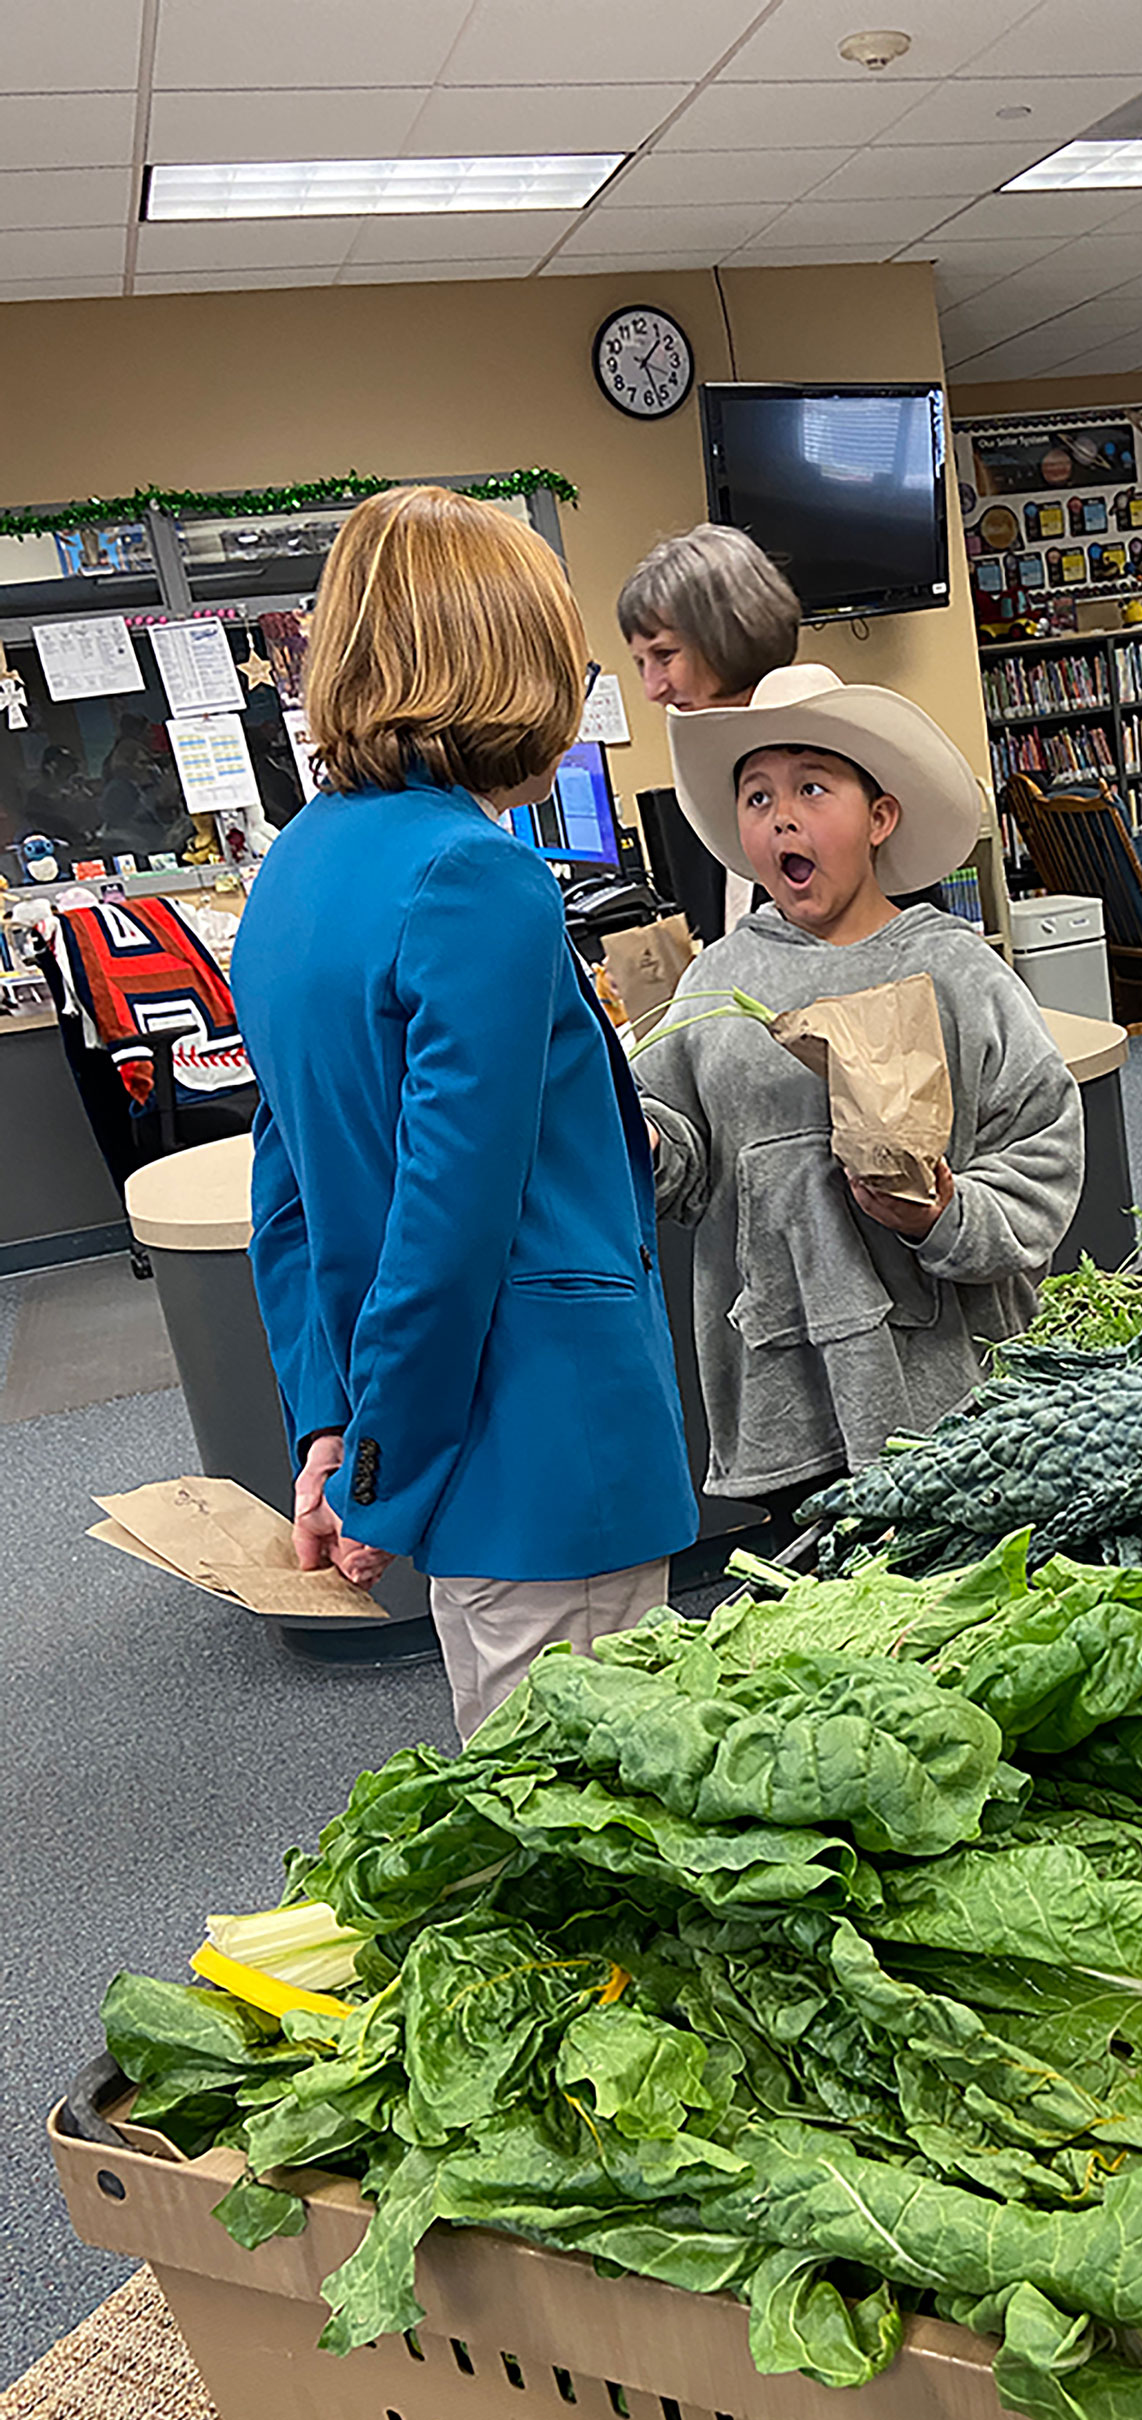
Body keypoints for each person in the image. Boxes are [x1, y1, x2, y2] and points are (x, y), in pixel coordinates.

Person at [231, 485, 699, 1741]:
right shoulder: (477, 873)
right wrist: (381, 1472)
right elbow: (448, 1224)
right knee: (603, 1828)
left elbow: (290, 1194)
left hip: (441, 1435)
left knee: (519, 1778)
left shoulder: (295, 867)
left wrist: (334, 1424)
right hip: (546, 1444)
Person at [635, 663, 1083, 1524]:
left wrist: (942, 1215)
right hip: (781, 1393)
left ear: (880, 817)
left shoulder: (956, 970)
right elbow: (683, 1153)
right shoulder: (716, 980)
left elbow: (1043, 1150)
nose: (783, 816)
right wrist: (647, 1141)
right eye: (758, 798)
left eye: (812, 786)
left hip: (951, 1389)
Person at [619, 522, 803, 939]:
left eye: (664, 655)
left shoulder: (837, 765)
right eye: (640, 664)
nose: (652, 690)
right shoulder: (715, 779)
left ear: (731, 637)